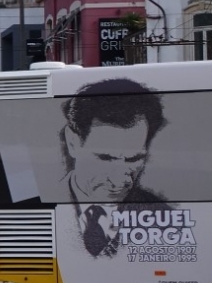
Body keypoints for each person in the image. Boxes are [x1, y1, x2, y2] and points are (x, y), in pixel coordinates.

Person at [59, 77, 169, 258]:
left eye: (133, 159)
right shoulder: (35, 203)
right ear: (73, 143)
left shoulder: (163, 216)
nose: (120, 180)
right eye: (105, 158)